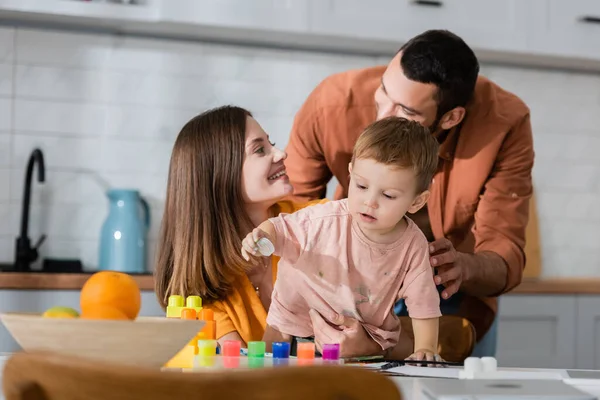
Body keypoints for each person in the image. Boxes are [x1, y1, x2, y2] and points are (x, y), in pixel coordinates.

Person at [284, 29, 535, 356]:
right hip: (348, 285)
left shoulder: (506, 125)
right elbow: (292, 213)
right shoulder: (331, 105)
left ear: (450, 118)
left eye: (406, 112)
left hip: (450, 296)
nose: (383, 117)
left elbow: (504, 252)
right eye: (383, 92)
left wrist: (462, 267)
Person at [154, 105, 379, 357]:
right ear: (219, 174)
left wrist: (370, 343)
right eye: (260, 149)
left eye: (271, 143)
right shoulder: (200, 290)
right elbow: (238, 372)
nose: (281, 154)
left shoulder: (320, 222)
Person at [242, 117, 443, 361]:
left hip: (363, 344)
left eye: (388, 195)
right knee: (269, 376)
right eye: (361, 186)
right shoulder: (322, 219)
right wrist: (261, 236)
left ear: (416, 201)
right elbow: (279, 227)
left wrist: (427, 349)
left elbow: (424, 303)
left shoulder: (413, 245)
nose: (370, 202)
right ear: (350, 173)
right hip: (290, 331)